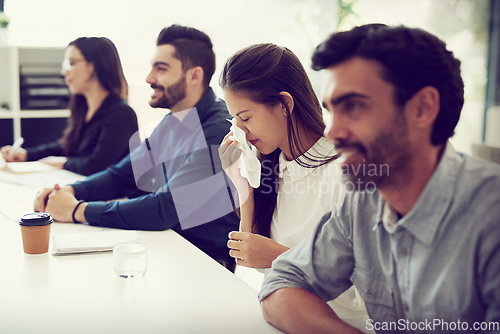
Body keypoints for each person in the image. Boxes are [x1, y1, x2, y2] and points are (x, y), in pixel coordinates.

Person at [258, 23, 500, 334]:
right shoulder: (364, 200)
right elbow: (281, 283)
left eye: (354, 107)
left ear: (423, 109)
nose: (332, 132)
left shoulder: (490, 217)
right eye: (332, 110)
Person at [33, 25, 239, 270]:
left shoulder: (218, 131)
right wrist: (67, 190)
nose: (148, 78)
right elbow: (121, 176)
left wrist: (77, 210)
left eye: (161, 69)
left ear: (194, 76)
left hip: (201, 262)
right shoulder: (172, 122)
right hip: (161, 245)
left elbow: (165, 209)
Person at [219, 43, 370, 331]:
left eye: (246, 117)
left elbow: (366, 292)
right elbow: (251, 258)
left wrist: (280, 255)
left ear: (285, 104)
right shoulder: (273, 167)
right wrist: (244, 189)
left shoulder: (344, 173)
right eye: (234, 119)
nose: (240, 132)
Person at [1, 37, 138, 176]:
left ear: (95, 65)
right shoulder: (83, 108)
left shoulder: (122, 114)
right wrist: (27, 155)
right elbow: (69, 147)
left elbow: (97, 165)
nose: (64, 72)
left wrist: (63, 163)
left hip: (115, 196)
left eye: (71, 63)